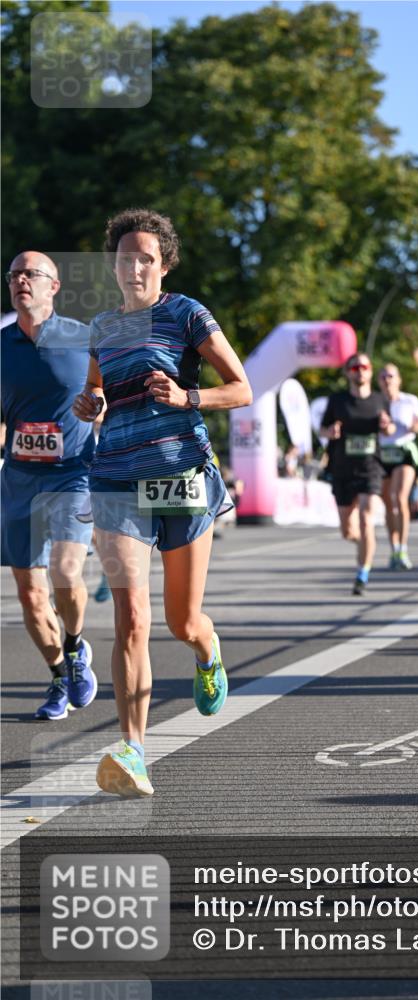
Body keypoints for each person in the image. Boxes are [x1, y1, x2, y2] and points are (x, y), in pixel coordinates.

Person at [73, 209, 252, 797]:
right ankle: (134, 751)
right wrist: (90, 405)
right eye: (126, 257)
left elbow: (242, 388)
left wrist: (187, 394)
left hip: (182, 478)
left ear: (164, 264)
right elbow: (98, 391)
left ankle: (208, 650)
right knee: (132, 619)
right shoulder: (101, 327)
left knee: (181, 621)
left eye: (146, 257)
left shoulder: (186, 314)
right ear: (115, 265)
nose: (135, 267)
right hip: (117, 480)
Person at [1, 251, 97, 719]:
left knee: (65, 571)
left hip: (72, 473)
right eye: (14, 274)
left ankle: (76, 646)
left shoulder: (83, 339)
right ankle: (59, 675)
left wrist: (99, 407)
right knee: (31, 595)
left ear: (53, 287)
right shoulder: (1, 347)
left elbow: (110, 394)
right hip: (19, 479)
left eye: (31, 274)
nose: (21, 280)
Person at [320, 352, 395, 595]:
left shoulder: (379, 400)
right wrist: (330, 431)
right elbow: (322, 429)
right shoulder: (337, 401)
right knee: (348, 531)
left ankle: (362, 574)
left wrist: (387, 426)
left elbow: (390, 428)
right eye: (354, 368)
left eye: (364, 366)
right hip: (342, 469)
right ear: (348, 373)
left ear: (370, 371)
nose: (360, 371)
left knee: (366, 520)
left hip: (370, 468)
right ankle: (365, 544)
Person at [377, 363, 418, 569]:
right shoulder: (375, 401)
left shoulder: (409, 400)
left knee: (399, 497)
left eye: (391, 376)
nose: (388, 380)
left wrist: (416, 426)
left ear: (398, 380)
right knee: (388, 503)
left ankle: (403, 548)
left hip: (403, 451)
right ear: (379, 381)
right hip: (381, 453)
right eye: (384, 376)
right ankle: (394, 548)